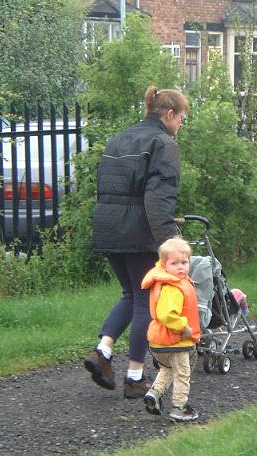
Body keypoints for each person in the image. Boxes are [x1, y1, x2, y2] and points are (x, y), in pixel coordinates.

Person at [84, 86, 189, 399]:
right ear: (169, 114)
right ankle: (135, 376)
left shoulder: (120, 137)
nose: (182, 124)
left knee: (130, 294)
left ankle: (102, 351)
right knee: (146, 300)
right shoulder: (164, 144)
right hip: (138, 230)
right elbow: (158, 199)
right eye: (182, 118)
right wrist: (170, 241)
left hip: (107, 226)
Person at [141, 238, 200, 422]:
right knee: (183, 374)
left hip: (160, 344)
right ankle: (179, 408)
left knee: (168, 369)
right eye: (175, 263)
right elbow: (167, 314)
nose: (181, 267)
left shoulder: (170, 281)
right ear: (164, 264)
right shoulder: (172, 287)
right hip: (176, 341)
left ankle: (155, 393)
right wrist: (184, 327)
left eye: (184, 262)